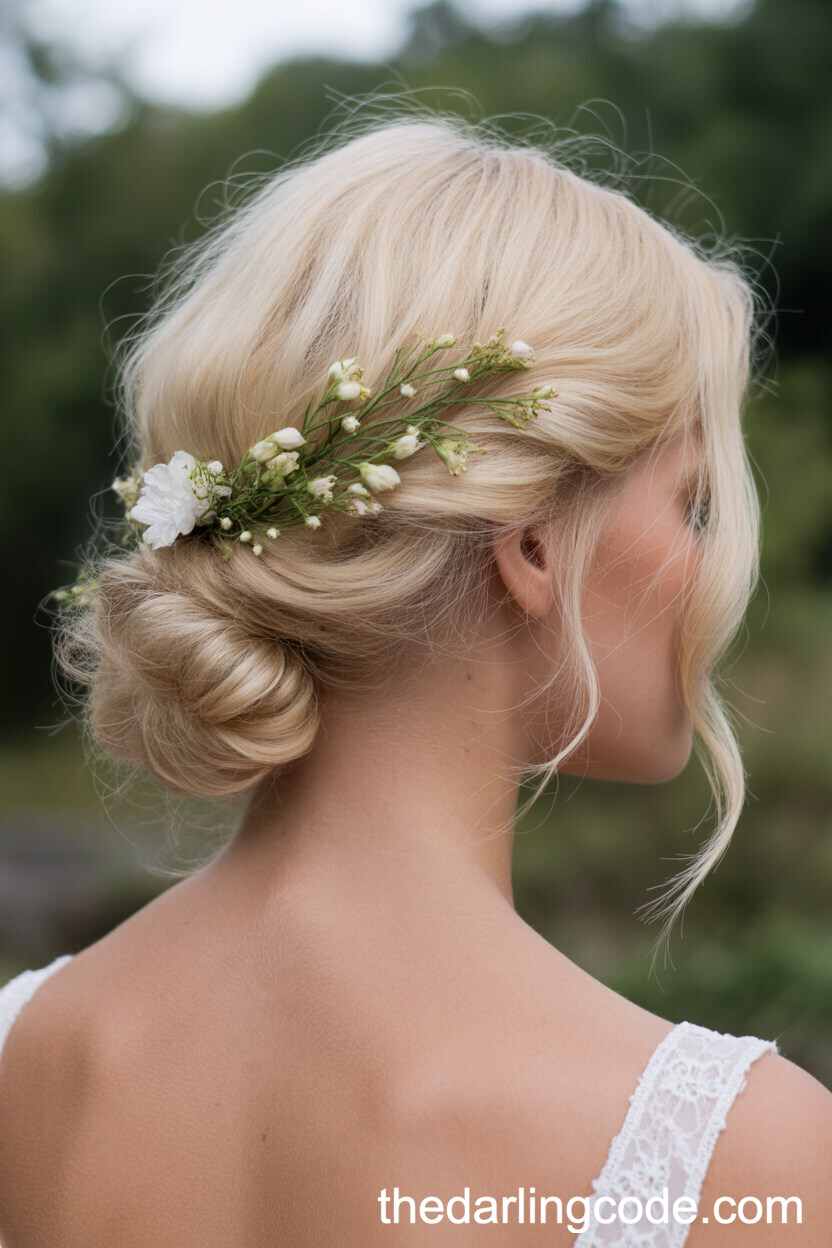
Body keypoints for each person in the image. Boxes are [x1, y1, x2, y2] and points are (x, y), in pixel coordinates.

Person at [0, 109, 830, 1247]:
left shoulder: (25, 1056)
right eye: (685, 501)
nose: (704, 562)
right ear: (531, 545)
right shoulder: (740, 1164)